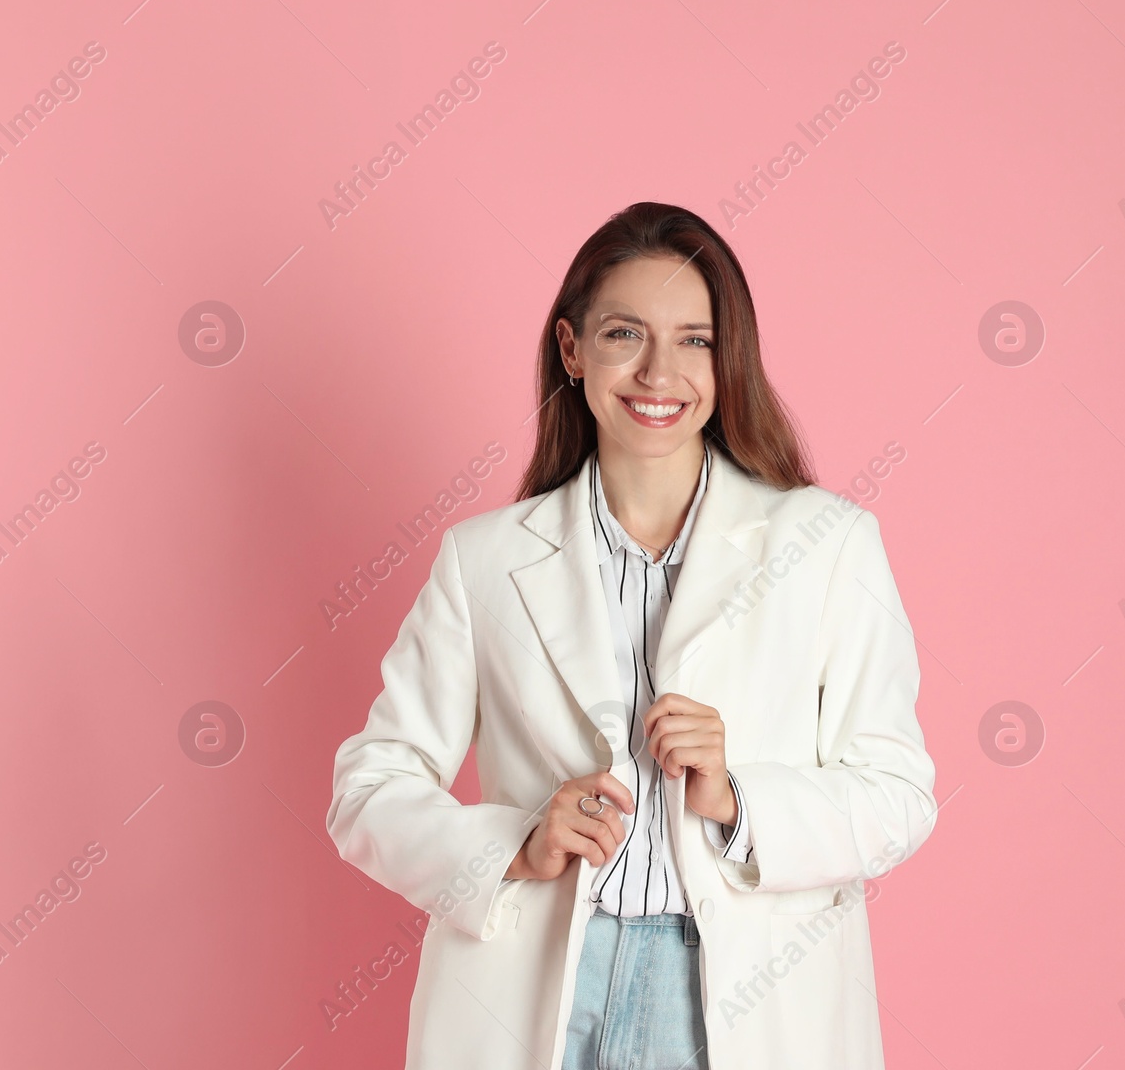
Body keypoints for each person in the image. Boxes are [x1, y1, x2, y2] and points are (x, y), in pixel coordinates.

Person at [326, 202, 938, 1070]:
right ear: (573, 350)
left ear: (729, 359)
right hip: (533, 998)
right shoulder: (485, 560)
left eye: (694, 339)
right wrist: (516, 844)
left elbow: (898, 795)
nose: (659, 372)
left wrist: (737, 799)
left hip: (745, 1006)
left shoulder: (826, 544)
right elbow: (367, 789)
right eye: (625, 334)